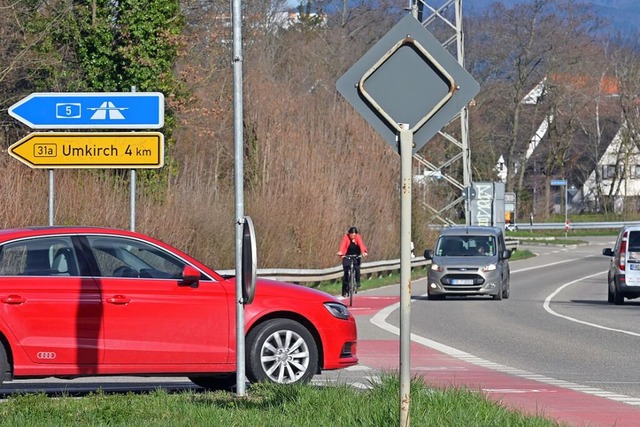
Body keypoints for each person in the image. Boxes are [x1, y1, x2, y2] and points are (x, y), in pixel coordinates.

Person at [337, 226, 368, 297]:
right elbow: (343, 245)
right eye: (351, 235)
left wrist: (363, 252)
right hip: (347, 256)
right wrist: (340, 252)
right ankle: (344, 291)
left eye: (354, 234)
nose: (352, 236)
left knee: (357, 268)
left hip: (356, 255)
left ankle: (358, 282)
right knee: (346, 273)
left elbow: (361, 245)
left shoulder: (358, 237)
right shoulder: (346, 237)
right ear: (349, 234)